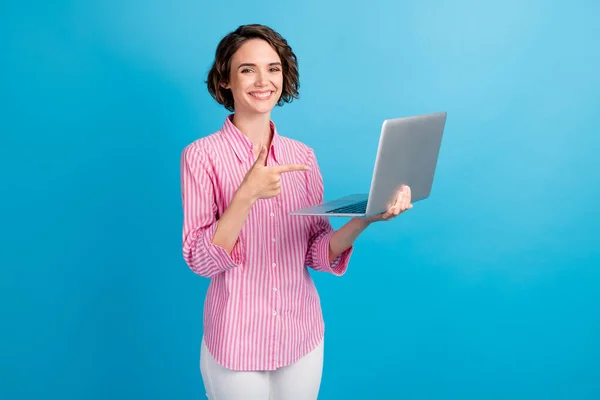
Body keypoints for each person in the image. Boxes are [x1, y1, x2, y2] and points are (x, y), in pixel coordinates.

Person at [180, 24, 412, 400]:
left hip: (301, 335)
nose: (263, 80)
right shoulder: (201, 156)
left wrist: (366, 218)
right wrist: (244, 198)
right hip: (236, 342)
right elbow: (199, 261)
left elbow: (316, 252)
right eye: (247, 69)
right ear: (224, 80)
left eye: (273, 68)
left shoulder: (302, 156)